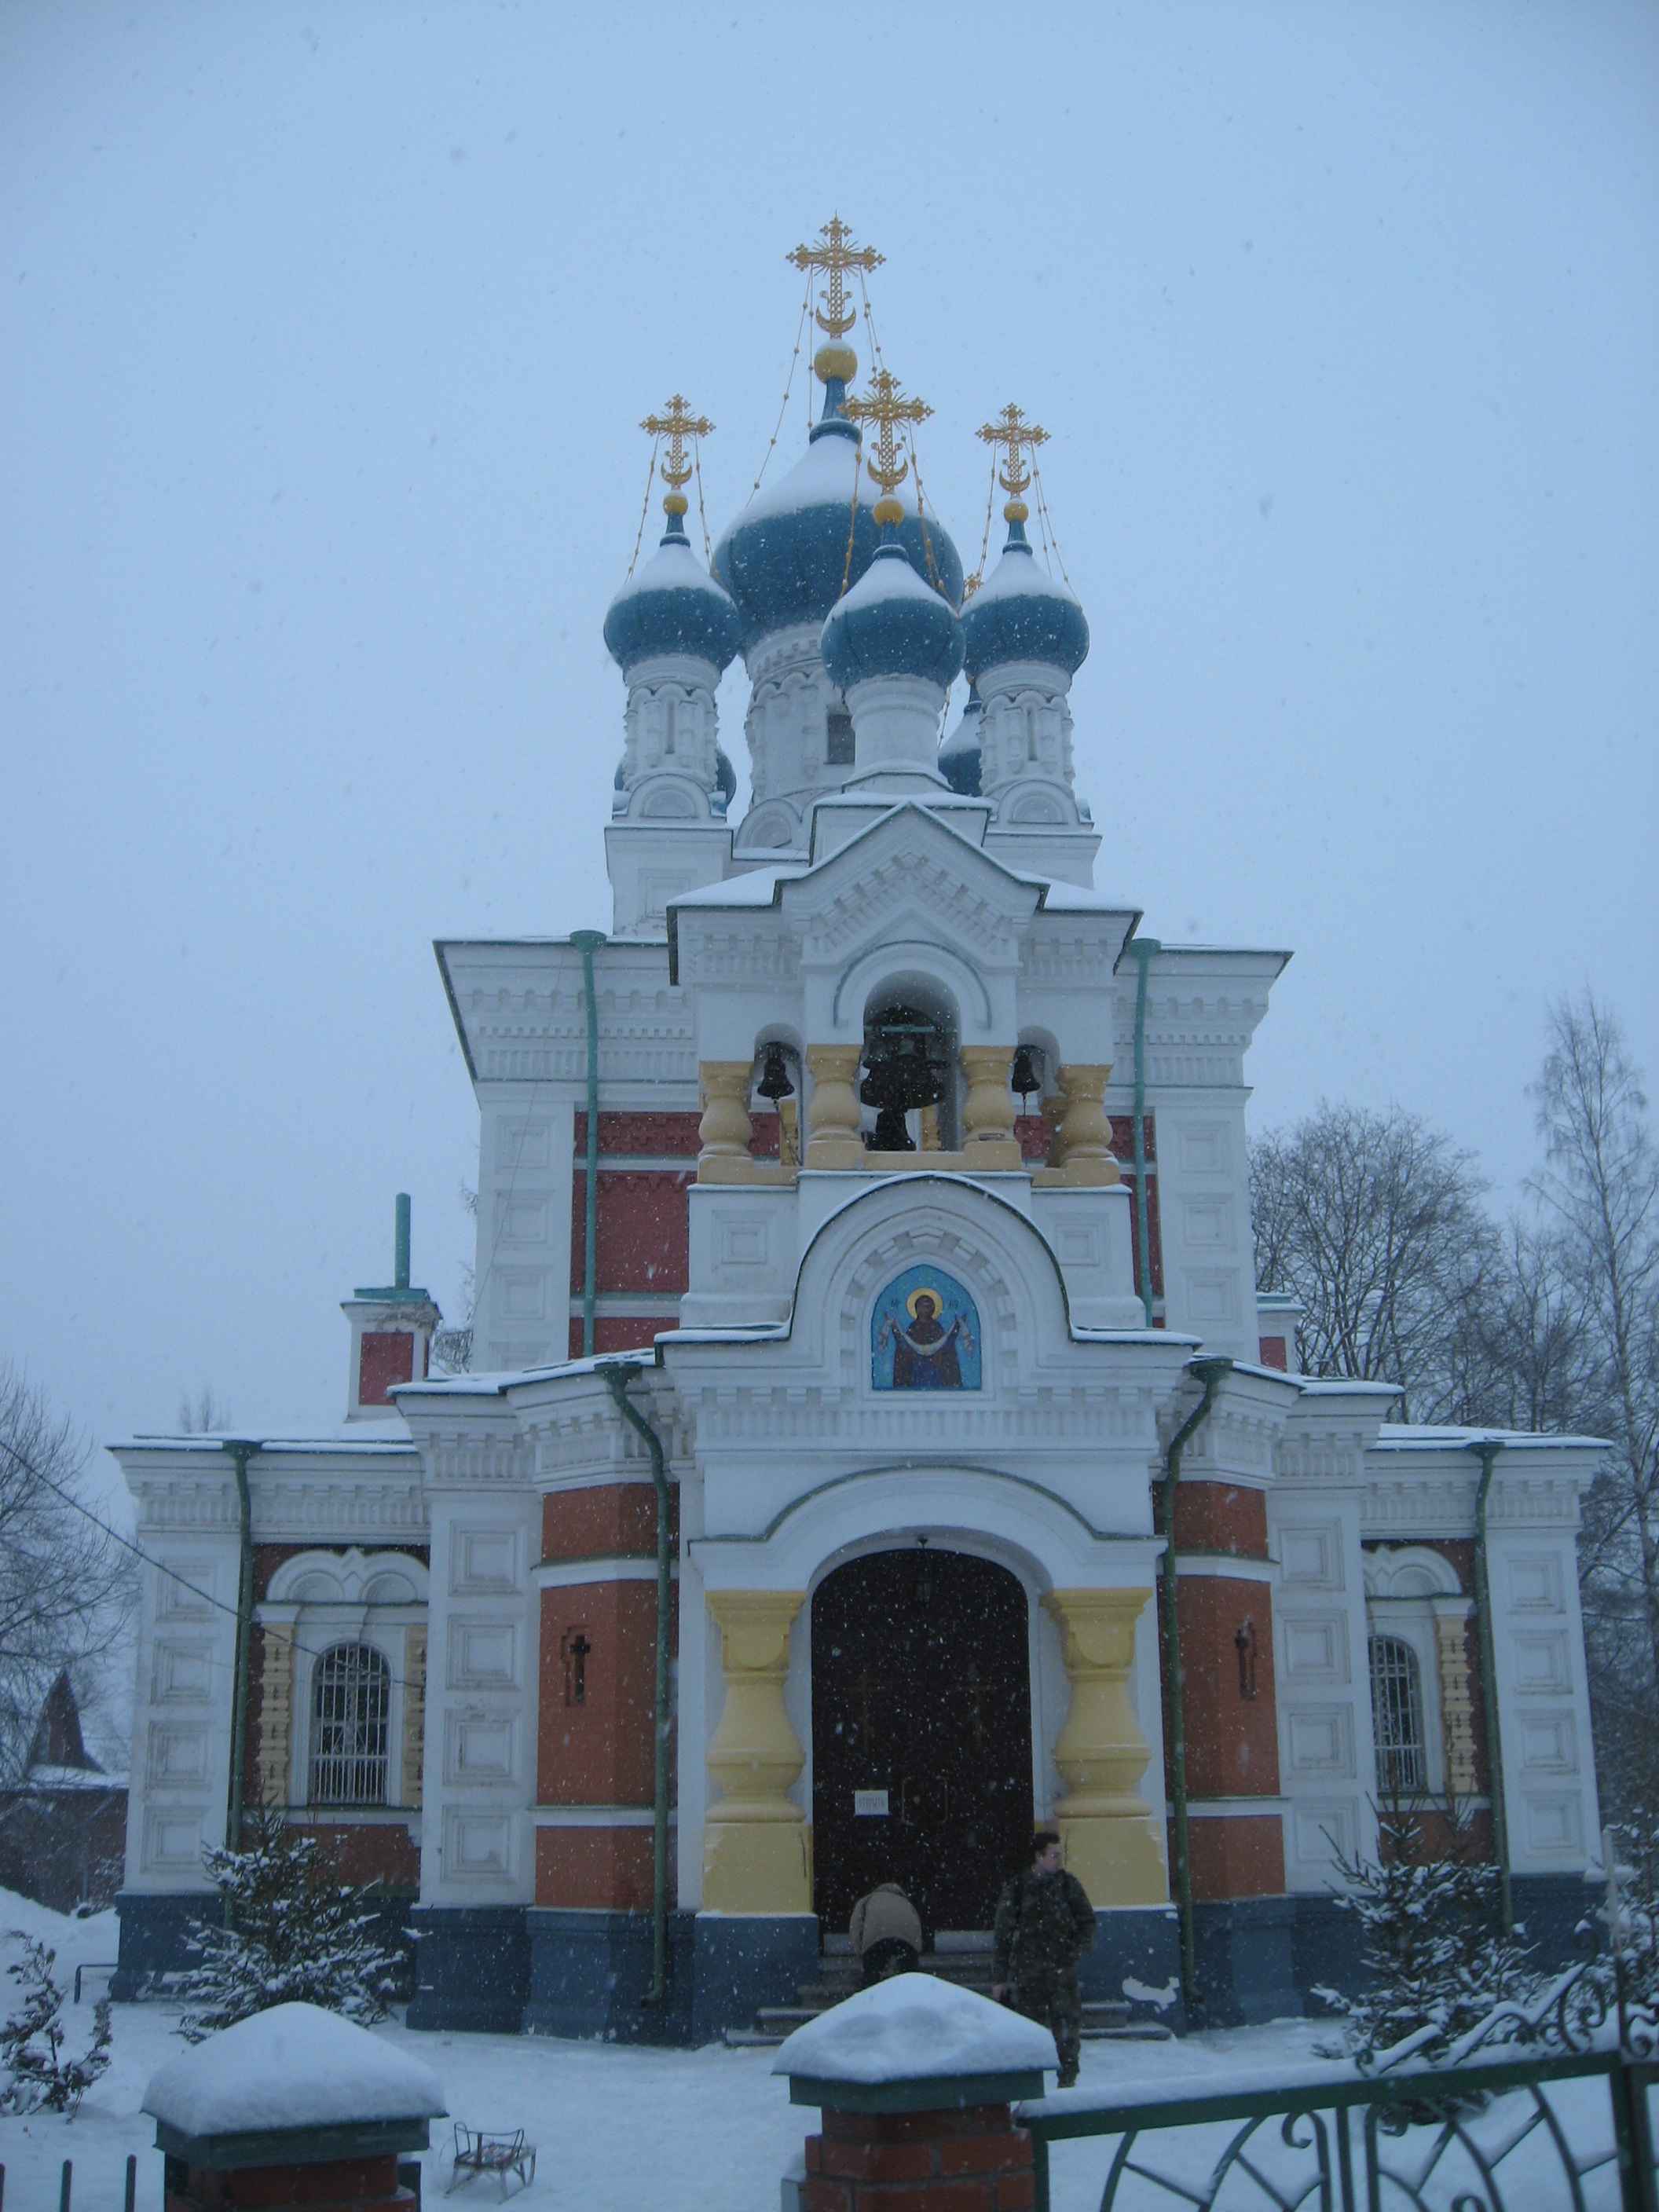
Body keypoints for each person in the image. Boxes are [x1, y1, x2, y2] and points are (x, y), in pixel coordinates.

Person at [991, 1832, 1094, 2089]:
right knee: (1028, 2034)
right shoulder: (1018, 1888)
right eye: (1053, 1855)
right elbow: (1003, 1934)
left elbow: (1087, 1923)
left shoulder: (1068, 1886)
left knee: (1067, 2034)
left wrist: (1073, 1953)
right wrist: (1000, 1978)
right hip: (1030, 1975)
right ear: (1038, 1857)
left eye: (1060, 1855)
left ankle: (1067, 2085)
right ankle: (1030, 2089)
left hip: (1062, 1975)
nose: (1058, 1860)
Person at [849, 1883, 923, 1987]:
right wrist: (915, 1951)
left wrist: (861, 1953)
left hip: (875, 1941)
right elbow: (916, 1927)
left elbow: (856, 1926)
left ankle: (868, 1998)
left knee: (871, 1977)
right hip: (906, 1942)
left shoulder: (868, 1900)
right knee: (910, 1977)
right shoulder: (906, 1903)